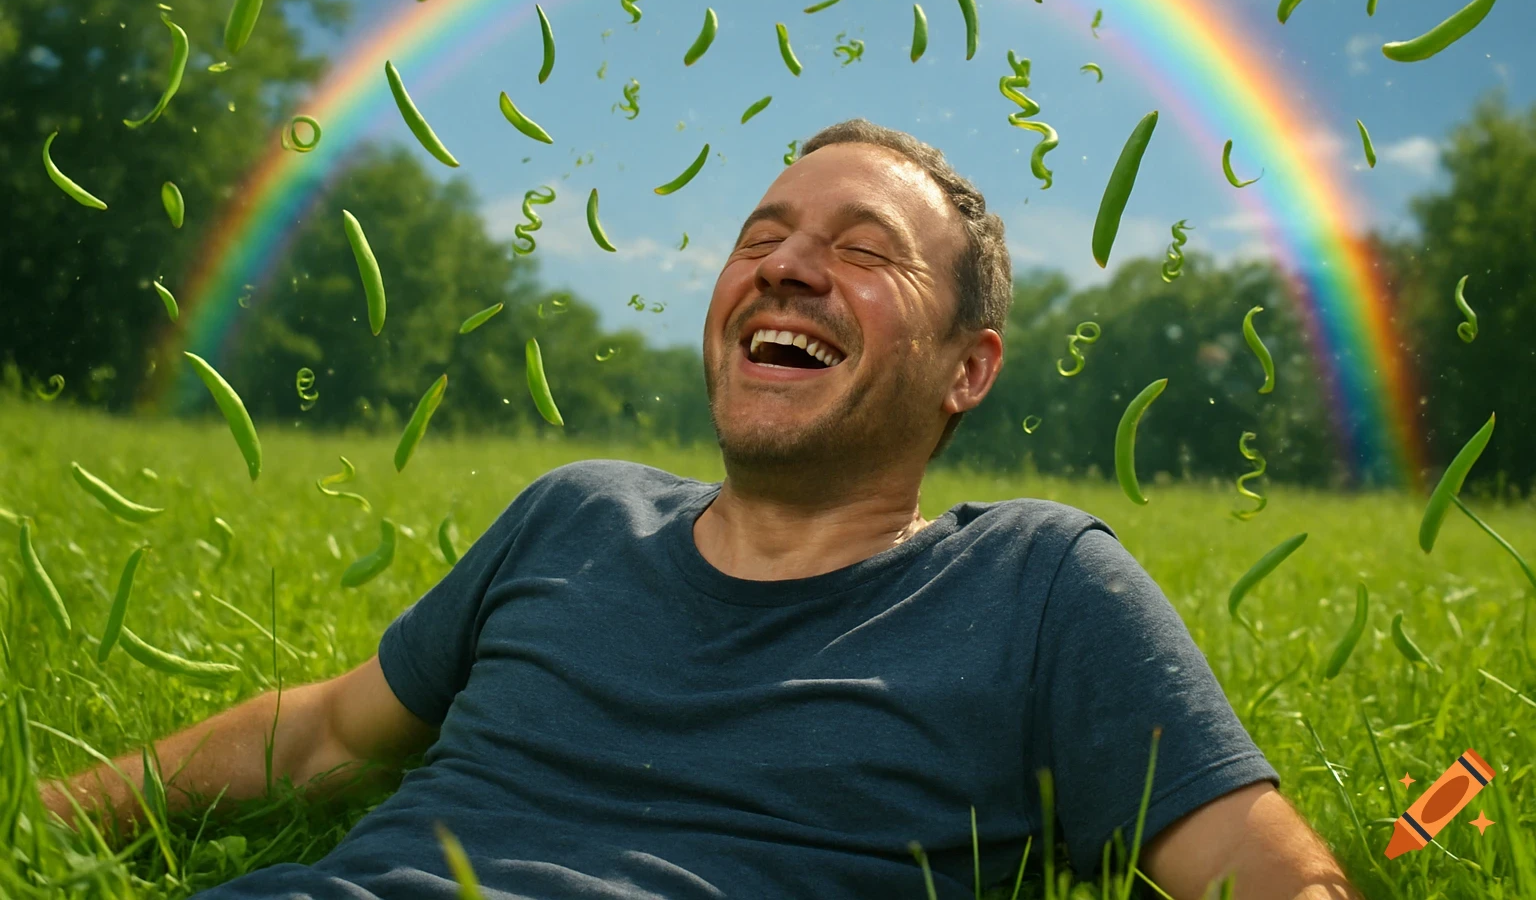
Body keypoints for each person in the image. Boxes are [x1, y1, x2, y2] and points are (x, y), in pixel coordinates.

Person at [42, 119, 1362, 900]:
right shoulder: (573, 516)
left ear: (970, 367)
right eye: (763, 236)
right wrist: (52, 812)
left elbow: (1266, 870)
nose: (786, 265)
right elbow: (330, 731)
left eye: (860, 251)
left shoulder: (1037, 584)